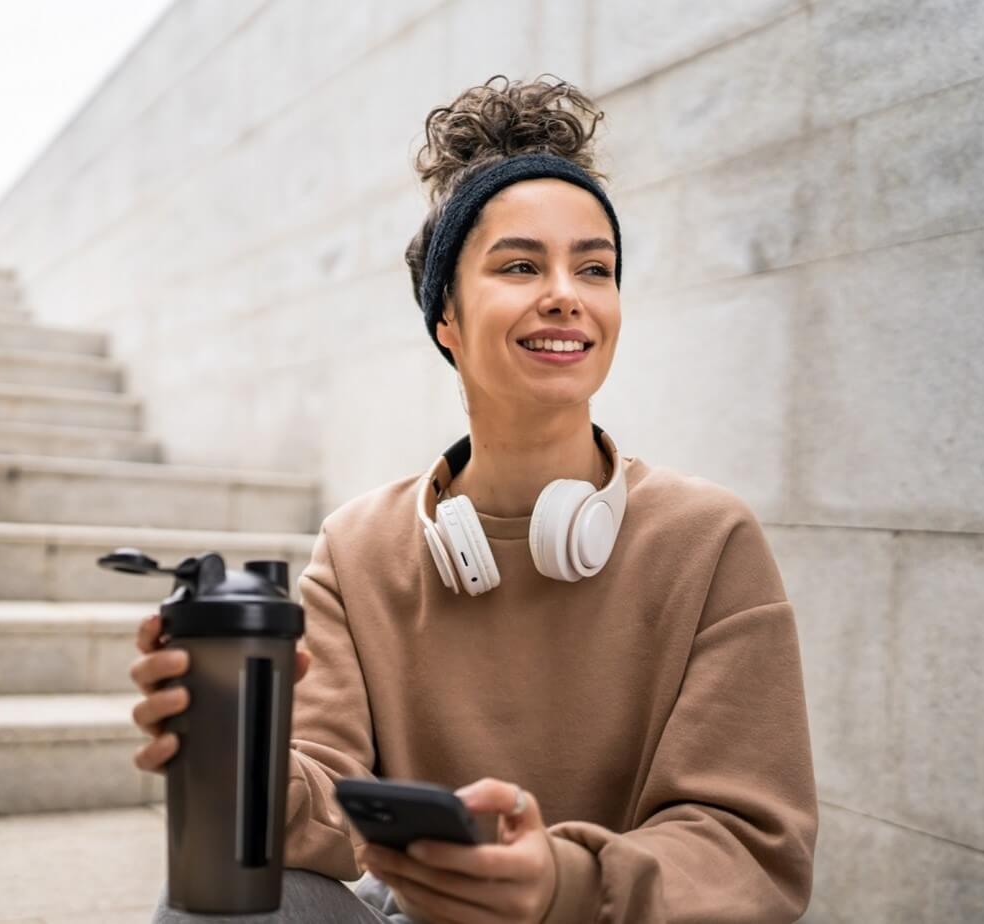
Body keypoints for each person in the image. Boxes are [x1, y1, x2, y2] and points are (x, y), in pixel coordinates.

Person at [132, 73, 818, 923]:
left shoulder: (707, 538)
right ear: (446, 318)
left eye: (594, 268)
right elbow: (328, 808)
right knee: (215, 896)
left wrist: (559, 881)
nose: (566, 292)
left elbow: (749, 847)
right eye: (521, 264)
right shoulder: (360, 545)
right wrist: (232, 752)